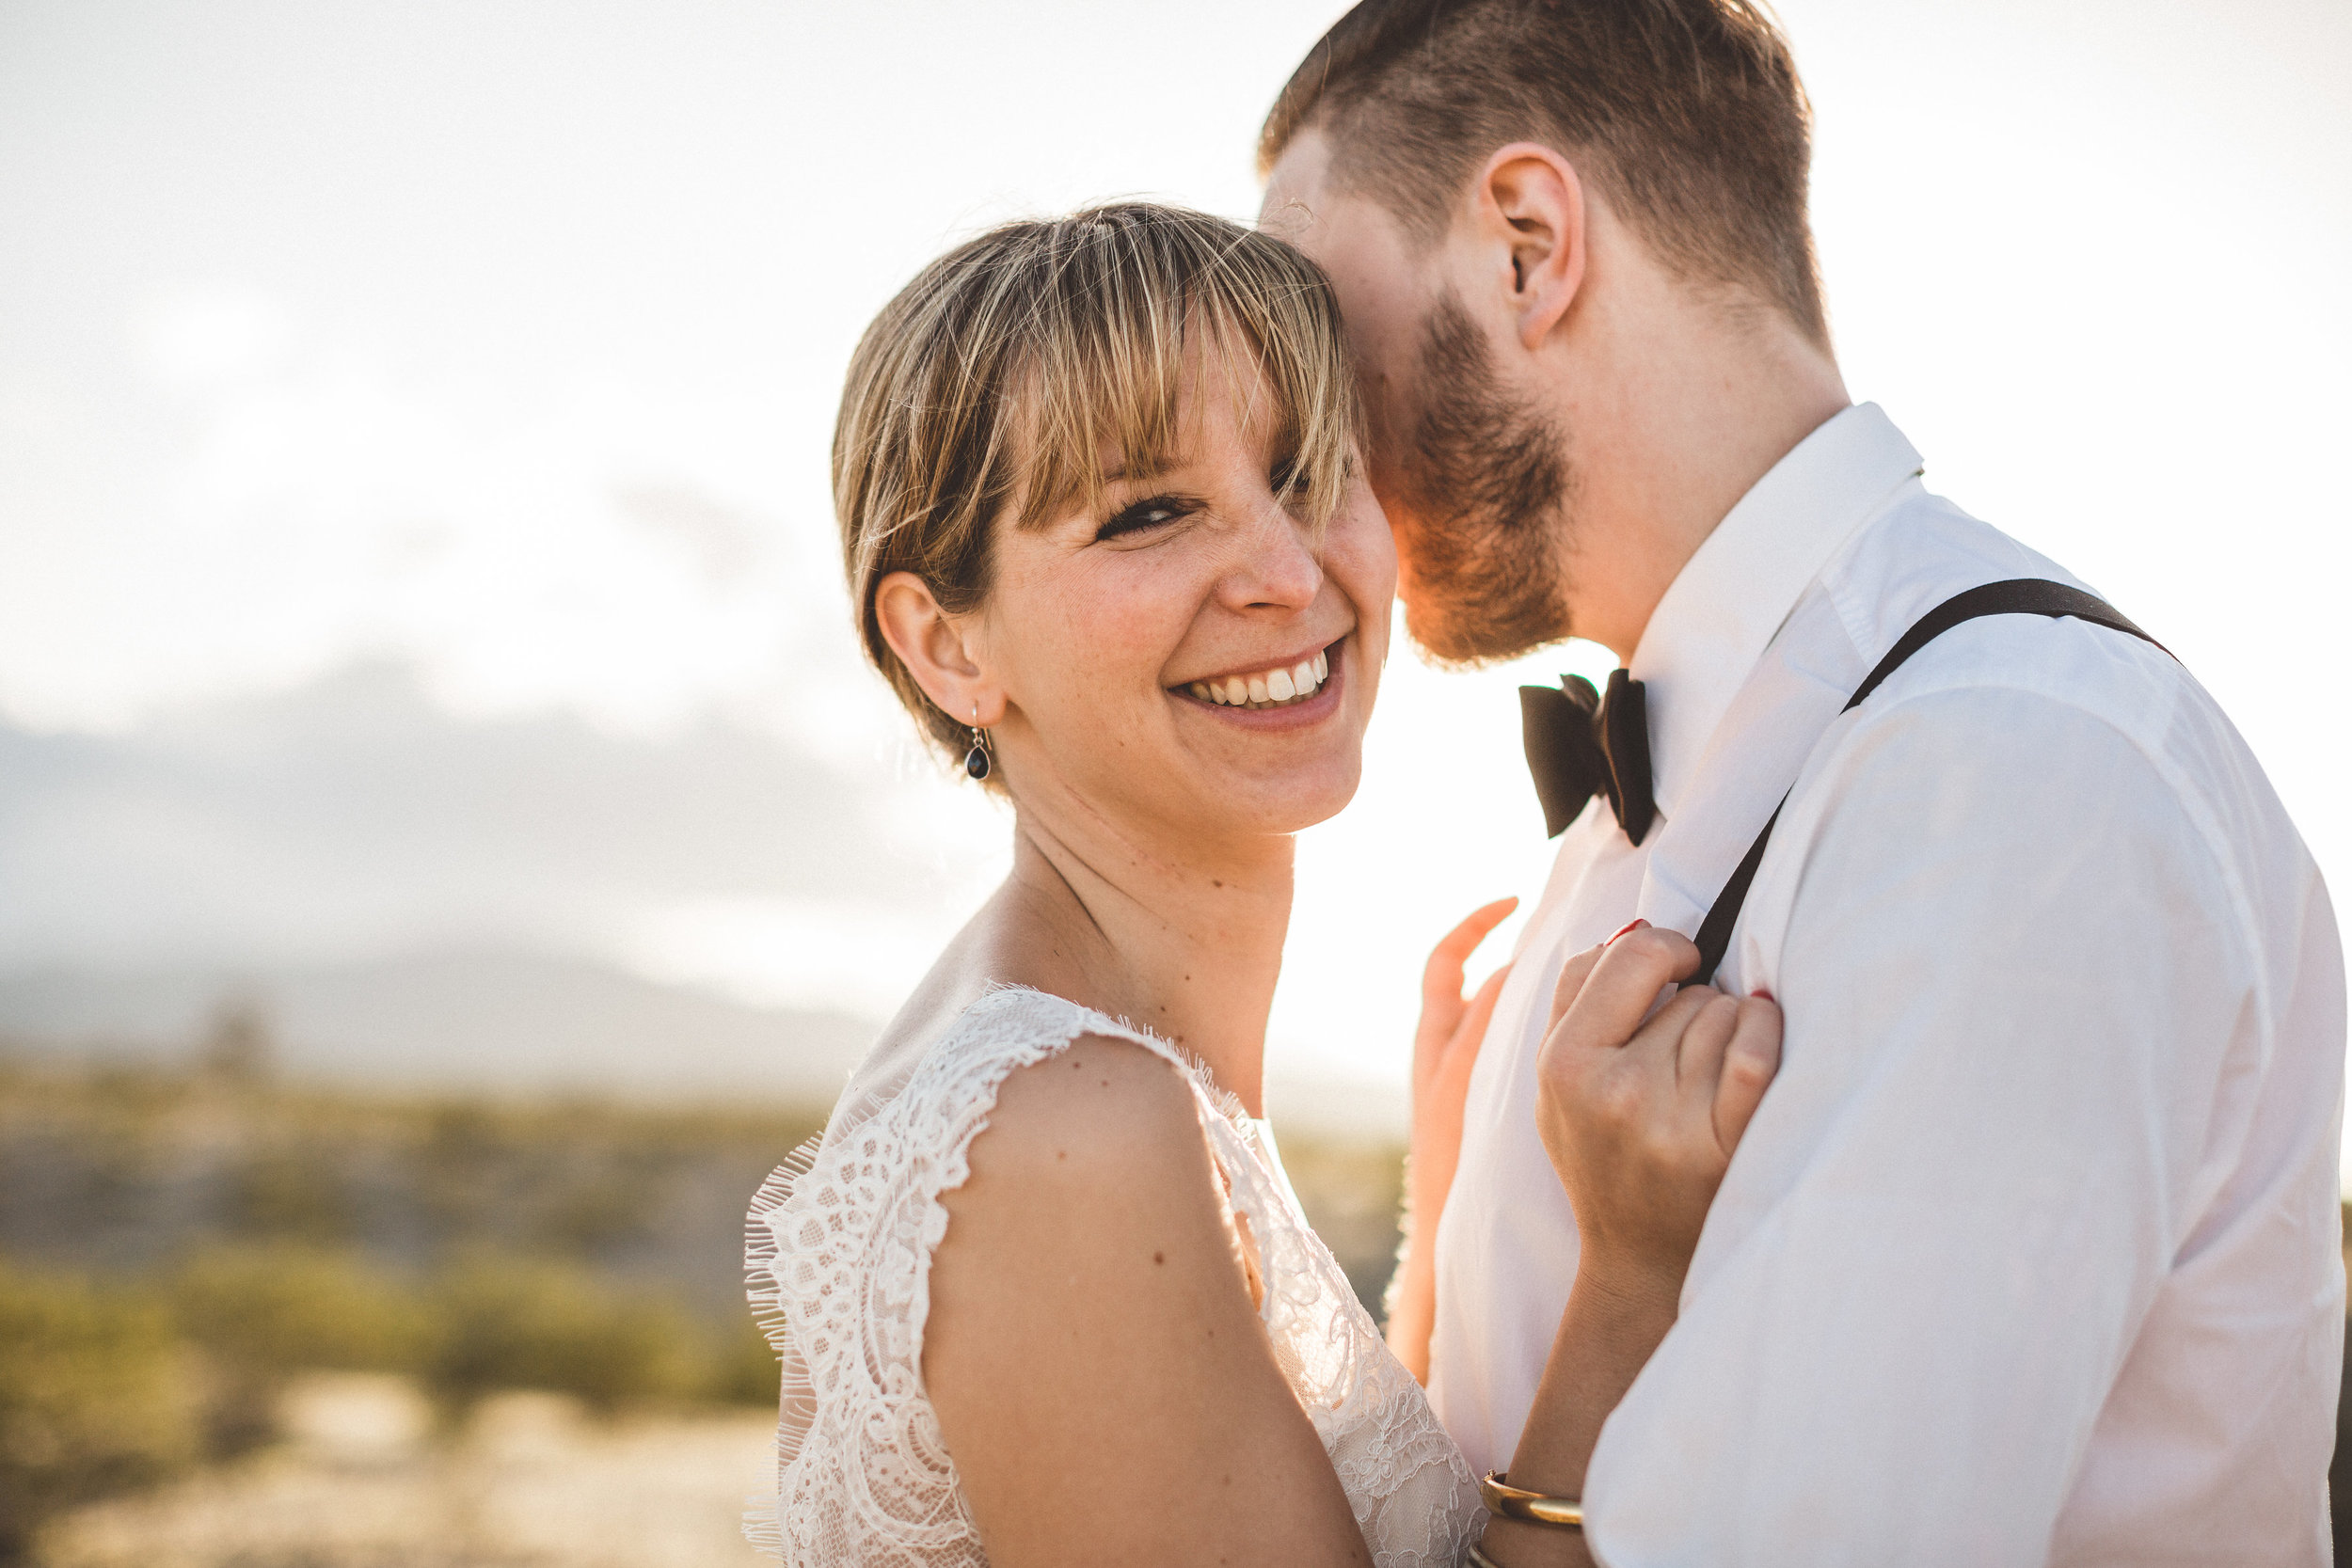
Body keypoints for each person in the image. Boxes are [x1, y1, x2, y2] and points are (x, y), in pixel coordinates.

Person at [1258, 1, 2346, 1562]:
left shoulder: (2018, 776)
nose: (1313, 448)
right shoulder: (1644, 809)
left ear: (1525, 244)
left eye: (1319, 318)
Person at [743, 203, 1781, 1567]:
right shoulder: (1069, 1135)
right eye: (1150, 513)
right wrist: (1631, 1277)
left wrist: (1445, 1199)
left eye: (1310, 472)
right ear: (945, 646)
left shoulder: (1093, 1066)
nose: (1291, 577)